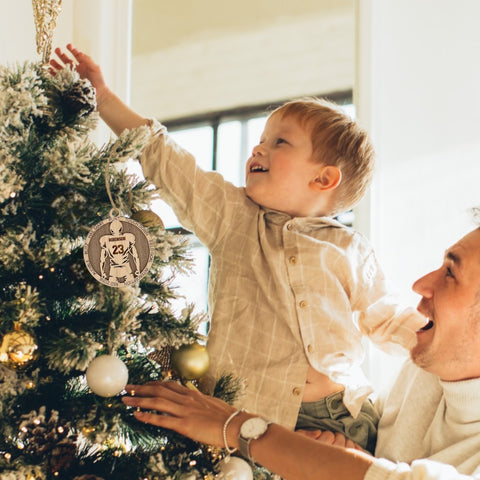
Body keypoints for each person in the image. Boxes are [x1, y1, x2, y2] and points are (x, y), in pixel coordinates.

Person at [51, 45, 426, 453]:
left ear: (323, 179)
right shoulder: (234, 218)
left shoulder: (349, 248)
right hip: (245, 412)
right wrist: (103, 97)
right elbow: (168, 160)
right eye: (261, 139)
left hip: (337, 416)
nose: (257, 148)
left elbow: (386, 318)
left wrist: (442, 340)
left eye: (280, 142)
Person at [122, 225, 480, 479]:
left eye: (450, 273)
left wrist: (235, 426)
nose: (421, 285)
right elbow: (380, 463)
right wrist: (350, 455)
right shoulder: (428, 367)